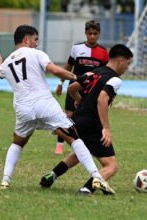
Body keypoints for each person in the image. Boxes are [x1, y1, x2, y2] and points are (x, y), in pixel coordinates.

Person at [0, 24, 114, 194]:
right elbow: (55, 70)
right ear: (26, 40)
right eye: (35, 40)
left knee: (18, 142)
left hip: (22, 108)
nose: (36, 43)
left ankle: (5, 180)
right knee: (74, 138)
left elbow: (0, 73)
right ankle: (97, 177)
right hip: (44, 104)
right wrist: (79, 77)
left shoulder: (7, 62)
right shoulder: (36, 53)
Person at [40, 44, 133, 195]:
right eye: (128, 64)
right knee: (111, 166)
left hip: (77, 120)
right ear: (121, 61)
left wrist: (79, 100)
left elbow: (71, 89)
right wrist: (106, 128)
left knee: (81, 152)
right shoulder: (115, 79)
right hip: (92, 124)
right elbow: (102, 100)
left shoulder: (95, 73)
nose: (128, 68)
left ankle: (52, 175)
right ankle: (87, 189)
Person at [54, 20, 109, 155]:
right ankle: (60, 145)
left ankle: (84, 145)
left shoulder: (103, 52)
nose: (92, 36)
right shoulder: (76, 48)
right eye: (89, 33)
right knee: (68, 117)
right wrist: (61, 83)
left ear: (99, 34)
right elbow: (68, 67)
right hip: (74, 88)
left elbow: (106, 73)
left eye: (95, 34)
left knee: (88, 118)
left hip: (91, 92)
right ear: (85, 33)